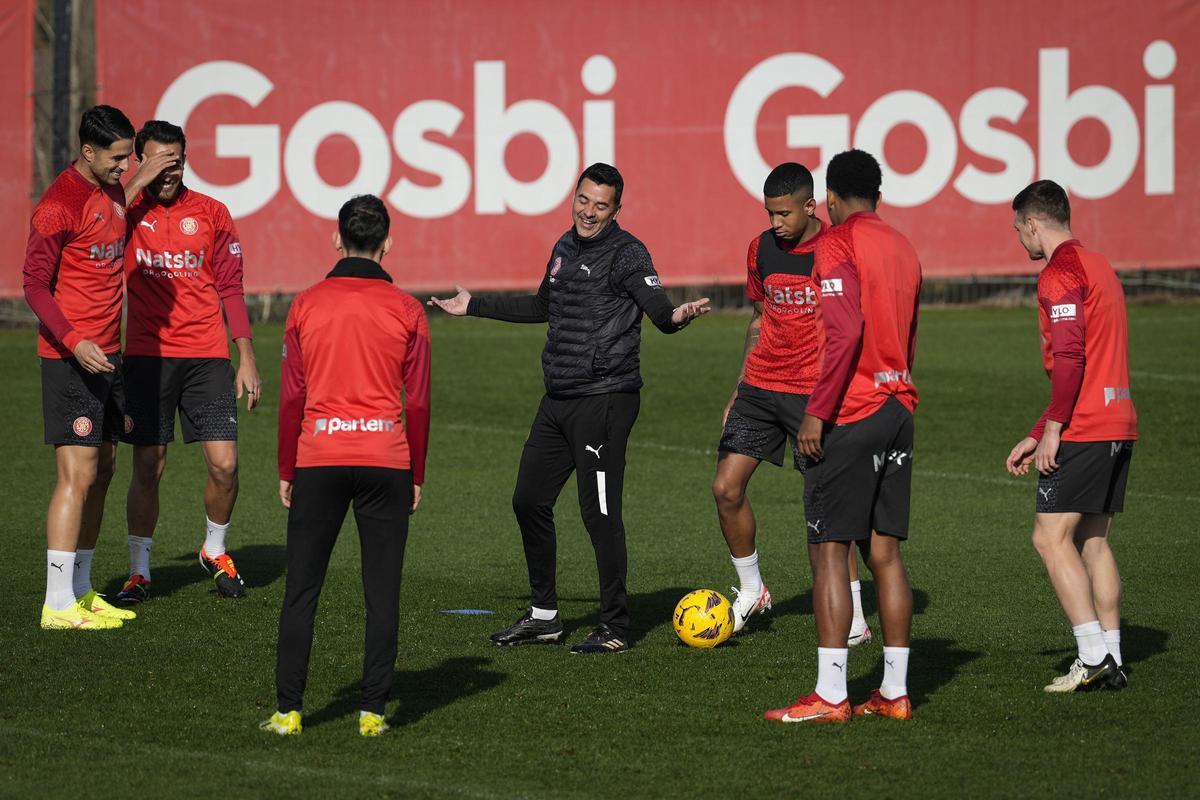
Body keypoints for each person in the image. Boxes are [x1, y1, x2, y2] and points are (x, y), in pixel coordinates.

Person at [428, 162, 710, 654]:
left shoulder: (628, 253)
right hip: (558, 399)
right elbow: (544, 306)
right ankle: (545, 617)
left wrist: (676, 316)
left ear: (616, 210)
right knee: (528, 501)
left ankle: (616, 627)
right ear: (574, 196)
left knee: (599, 514)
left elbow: (659, 310)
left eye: (601, 205)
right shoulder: (562, 246)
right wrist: (474, 306)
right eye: (584, 200)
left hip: (605, 399)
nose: (589, 212)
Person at [765, 149, 921, 724]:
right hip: (899, 403)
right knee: (885, 552)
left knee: (829, 550)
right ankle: (895, 692)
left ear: (829, 198)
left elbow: (845, 329)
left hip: (852, 410)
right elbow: (908, 333)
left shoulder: (836, 242)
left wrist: (817, 412)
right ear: (876, 193)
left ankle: (831, 696)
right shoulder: (903, 245)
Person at [264, 195, 430, 737]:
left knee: (303, 589)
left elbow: (292, 397)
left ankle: (289, 711)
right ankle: (372, 713)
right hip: (386, 461)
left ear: (337, 239)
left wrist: (288, 466)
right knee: (381, 593)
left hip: (320, 459)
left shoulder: (306, 304)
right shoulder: (408, 310)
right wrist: (417, 473)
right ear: (388, 242)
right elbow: (420, 401)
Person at [712, 162, 871, 644]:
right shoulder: (760, 248)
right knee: (725, 489)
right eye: (769, 213)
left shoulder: (838, 250)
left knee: (826, 513)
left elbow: (853, 327)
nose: (775, 223)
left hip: (813, 395)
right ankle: (753, 590)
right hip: (760, 387)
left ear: (810, 206)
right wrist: (740, 386)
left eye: (783, 214)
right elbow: (760, 319)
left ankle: (857, 619)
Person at [116, 120, 261, 603]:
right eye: (158, 160)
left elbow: (231, 287)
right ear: (139, 161)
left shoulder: (214, 213)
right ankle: (140, 571)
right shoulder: (123, 212)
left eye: (176, 159)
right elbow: (93, 237)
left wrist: (245, 355)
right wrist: (132, 187)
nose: (169, 169)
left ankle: (214, 550)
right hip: (147, 357)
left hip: (207, 358)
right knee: (149, 467)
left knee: (225, 466)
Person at [1004, 180, 1136, 693]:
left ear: (1035, 223)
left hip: (1085, 427)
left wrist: (1055, 431)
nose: (1020, 240)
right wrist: (1040, 430)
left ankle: (1090, 656)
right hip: (1118, 420)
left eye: (1019, 229)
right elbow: (1091, 361)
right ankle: (1113, 657)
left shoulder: (1059, 273)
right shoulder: (1101, 264)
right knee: (1092, 541)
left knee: (1049, 536)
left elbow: (1072, 357)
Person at [23, 105, 139, 630]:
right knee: (79, 473)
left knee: (105, 470)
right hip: (71, 358)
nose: (126, 165)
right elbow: (33, 285)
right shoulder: (56, 206)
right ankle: (56, 603)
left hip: (109, 356)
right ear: (88, 153)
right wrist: (73, 340)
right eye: (118, 157)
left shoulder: (113, 188)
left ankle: (83, 589)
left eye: (130, 155)